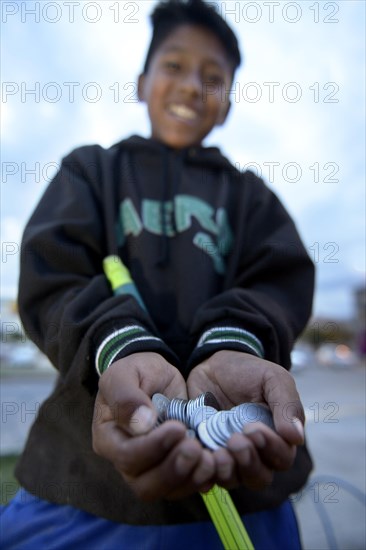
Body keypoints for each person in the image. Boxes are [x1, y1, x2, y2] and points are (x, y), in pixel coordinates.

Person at [1, 0, 315, 548]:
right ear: (142, 82)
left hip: (245, 494)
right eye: (174, 66)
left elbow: (279, 279)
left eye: (214, 77)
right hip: (81, 484)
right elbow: (54, 275)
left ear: (229, 103)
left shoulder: (251, 197)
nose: (193, 86)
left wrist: (234, 342)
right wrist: (120, 345)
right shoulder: (91, 173)